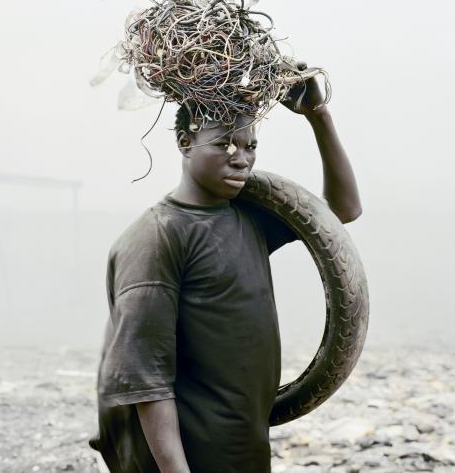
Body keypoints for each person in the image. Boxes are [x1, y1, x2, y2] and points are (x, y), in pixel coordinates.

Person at [89, 62, 362, 473]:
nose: (241, 159)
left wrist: (318, 117)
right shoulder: (158, 237)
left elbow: (342, 211)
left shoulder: (247, 218)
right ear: (184, 143)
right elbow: (147, 381)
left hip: (242, 442)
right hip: (186, 454)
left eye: (250, 145)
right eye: (223, 144)